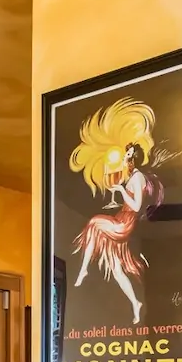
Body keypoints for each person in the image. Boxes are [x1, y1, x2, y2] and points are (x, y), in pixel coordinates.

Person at [68, 97, 163, 324]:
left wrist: (120, 189)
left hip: (126, 222)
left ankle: (83, 270)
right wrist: (119, 187)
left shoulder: (138, 177)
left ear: (134, 159)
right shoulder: (130, 176)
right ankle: (135, 304)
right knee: (117, 269)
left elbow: (137, 205)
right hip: (121, 216)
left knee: (93, 223)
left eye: (128, 156)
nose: (125, 158)